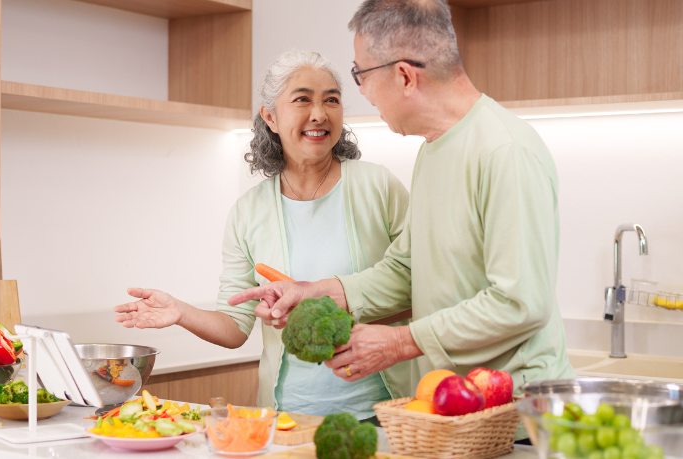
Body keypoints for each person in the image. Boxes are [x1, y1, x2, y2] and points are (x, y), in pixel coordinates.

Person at [229, 0, 576, 434]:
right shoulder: (433, 150)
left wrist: (399, 341)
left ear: (405, 76)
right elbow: (405, 268)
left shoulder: (505, 151)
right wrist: (316, 292)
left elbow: (519, 302)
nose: (362, 95)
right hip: (448, 408)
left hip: (516, 414)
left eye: (361, 76)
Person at [113, 50, 413, 421]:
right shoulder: (248, 212)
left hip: (388, 411)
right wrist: (180, 312)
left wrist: (329, 309)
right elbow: (235, 327)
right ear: (270, 117)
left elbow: (422, 286)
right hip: (288, 416)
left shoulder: (379, 186)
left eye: (331, 100)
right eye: (302, 99)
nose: (319, 113)